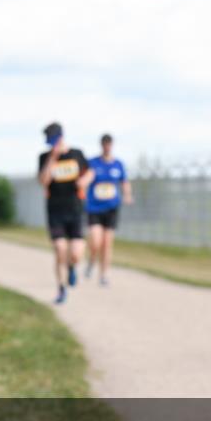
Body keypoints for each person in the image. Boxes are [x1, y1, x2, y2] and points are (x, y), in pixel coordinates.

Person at [38, 122, 92, 304]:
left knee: (76, 253)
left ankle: (71, 267)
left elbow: (90, 172)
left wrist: (84, 181)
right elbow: (43, 181)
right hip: (55, 211)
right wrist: (52, 158)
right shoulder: (44, 157)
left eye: (53, 141)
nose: (51, 145)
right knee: (60, 249)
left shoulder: (77, 154)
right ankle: (61, 288)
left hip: (75, 210)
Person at [85, 134, 133, 286]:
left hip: (111, 208)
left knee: (107, 243)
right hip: (94, 208)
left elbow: (124, 182)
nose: (107, 147)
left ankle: (104, 274)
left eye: (109, 144)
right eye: (104, 144)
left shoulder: (118, 164)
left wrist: (127, 195)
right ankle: (92, 260)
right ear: (101, 145)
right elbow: (85, 179)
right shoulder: (92, 163)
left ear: (112, 145)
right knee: (96, 241)